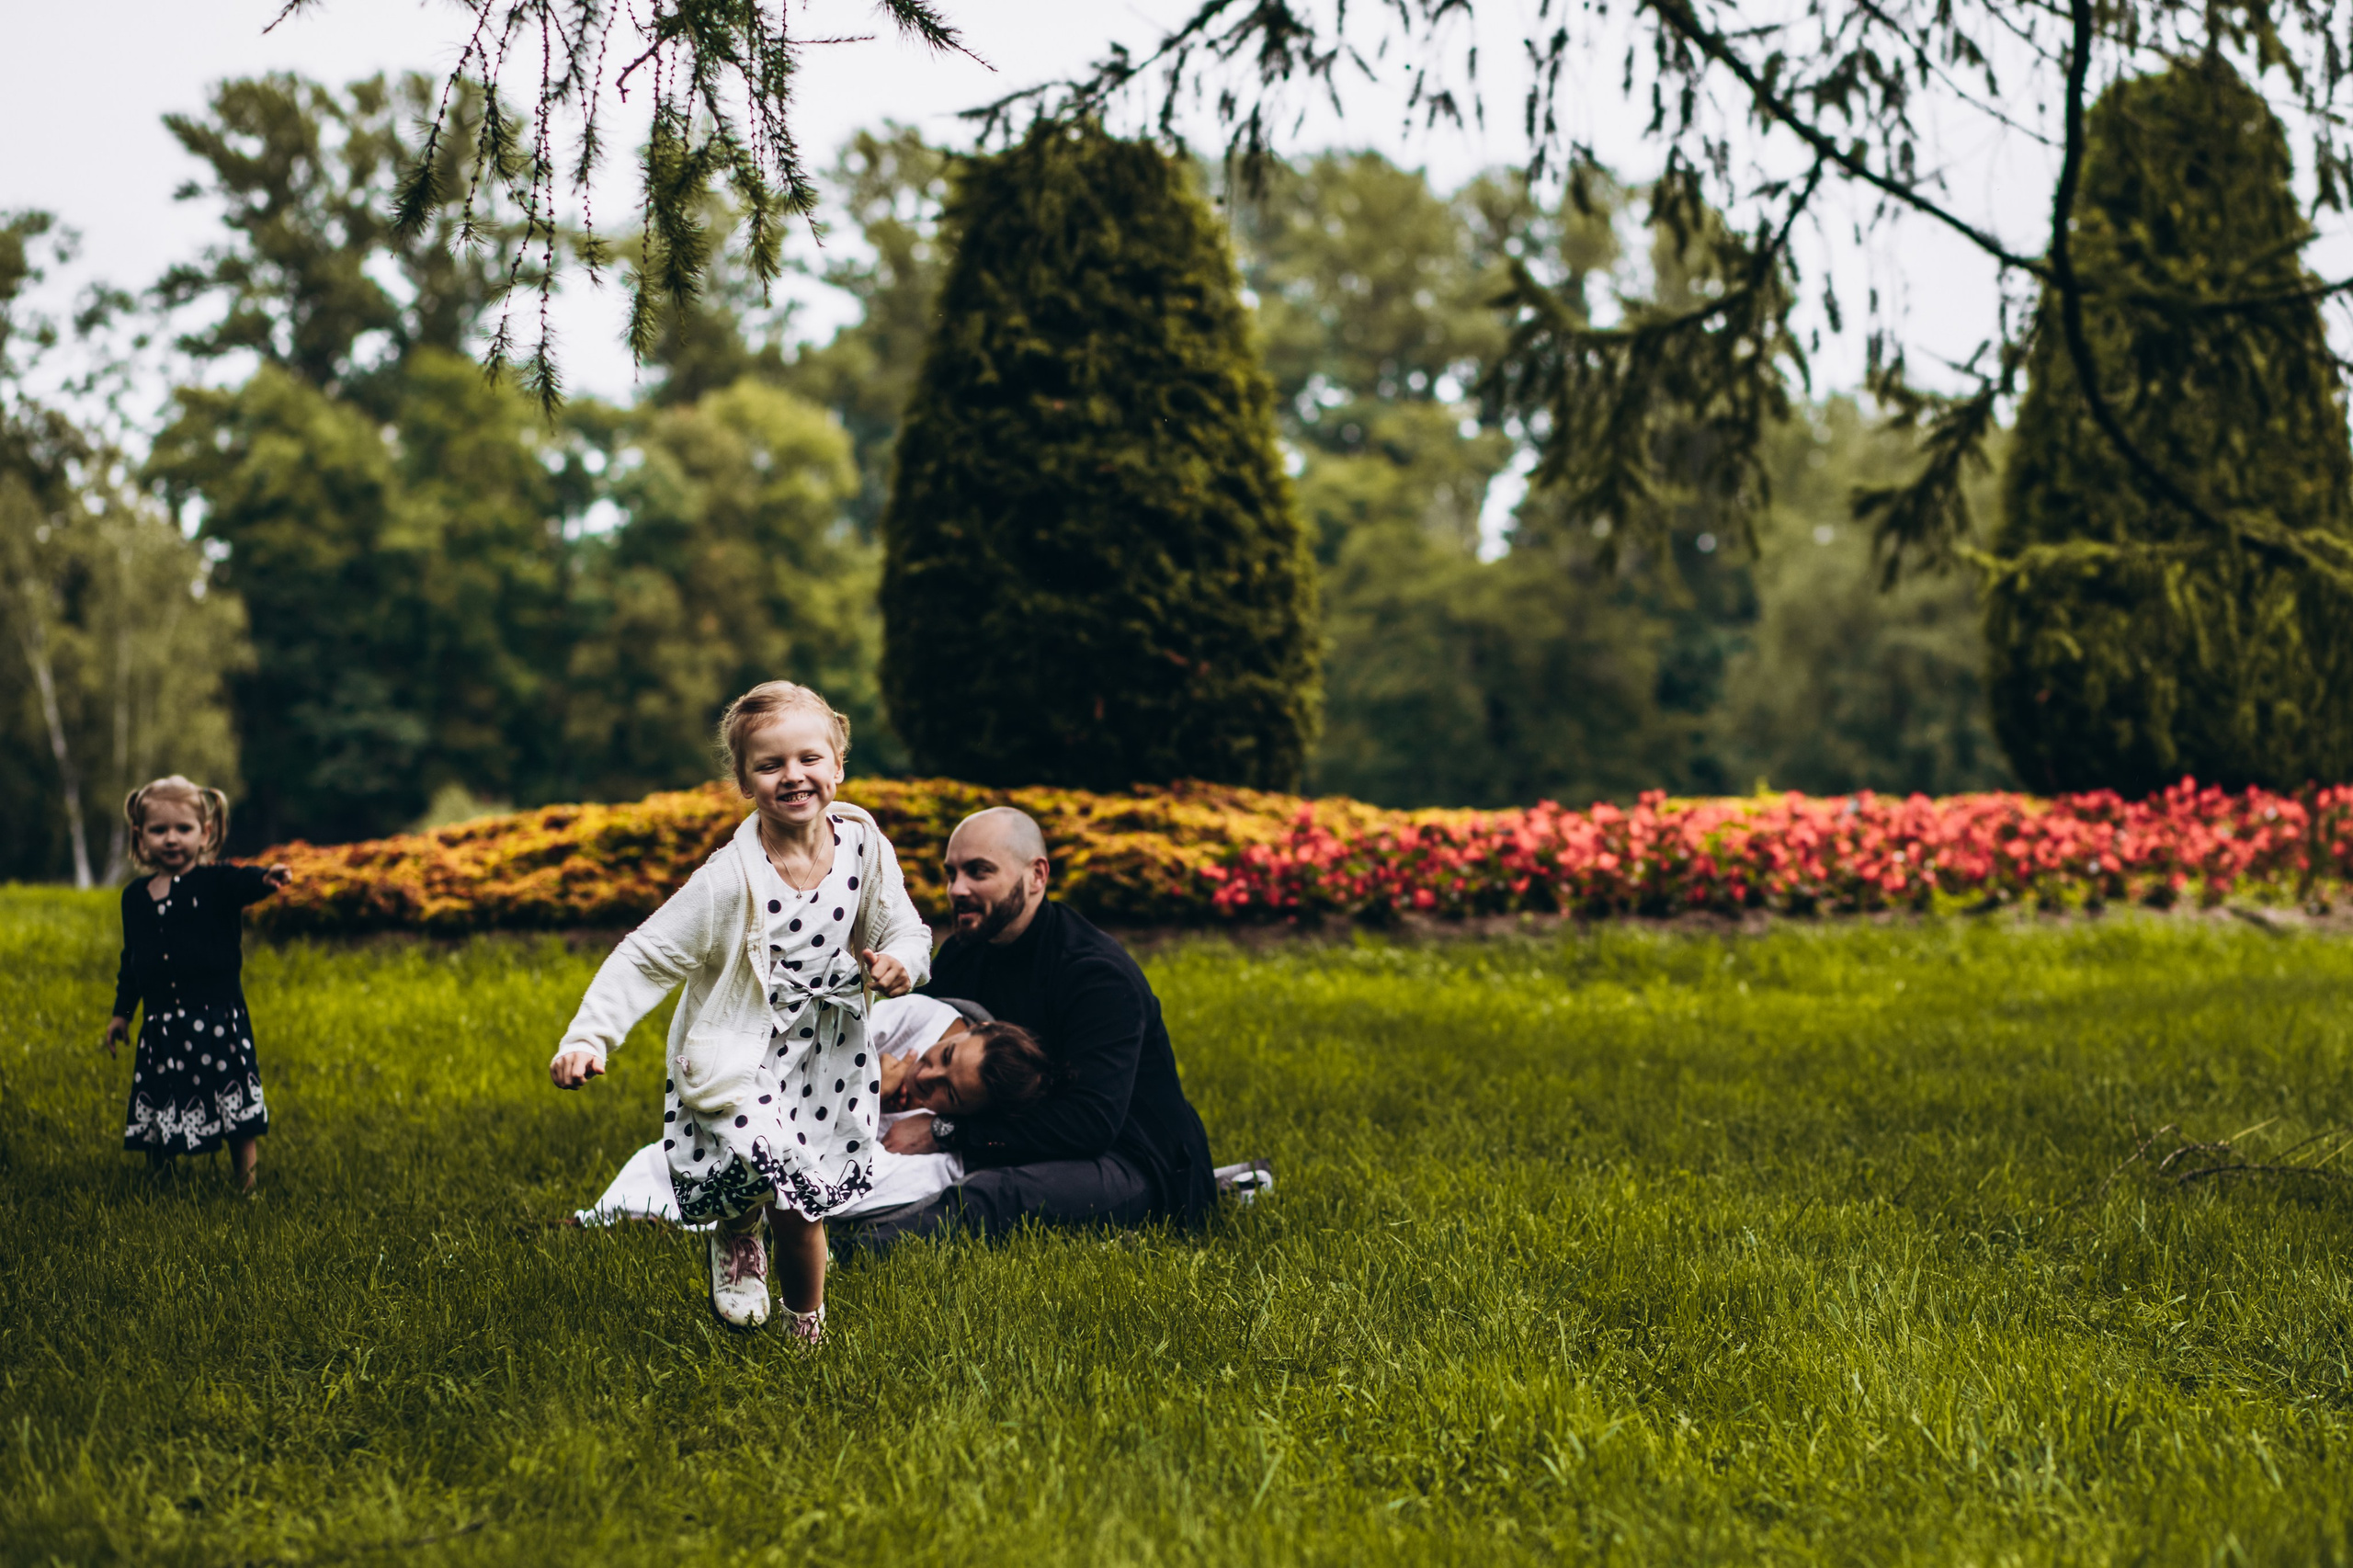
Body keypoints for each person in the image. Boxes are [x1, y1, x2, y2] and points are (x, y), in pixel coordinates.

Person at [547, 681, 931, 1339]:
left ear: (838, 764)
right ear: (745, 781)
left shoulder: (865, 845)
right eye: (770, 765)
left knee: (801, 1198)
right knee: (772, 1170)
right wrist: (590, 1037)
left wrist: (901, 962)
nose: (794, 777)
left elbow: (906, 929)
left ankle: (802, 1325)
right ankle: (737, 1232)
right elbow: (647, 956)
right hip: (744, 1053)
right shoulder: (730, 877)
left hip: (829, 1055)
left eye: (810, 759)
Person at [864, 805, 1215, 1240]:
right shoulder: (965, 953)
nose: (957, 889)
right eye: (951, 873)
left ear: (1037, 876)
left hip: (1128, 1157)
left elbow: (1090, 1123)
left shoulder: (1095, 975)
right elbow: (919, 1034)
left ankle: (848, 1252)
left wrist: (944, 1131)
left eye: (979, 872)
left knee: (993, 1195)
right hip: (1010, 1134)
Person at [573, 994, 1056, 1227]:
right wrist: (869, 1079)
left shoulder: (936, 1156)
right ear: (973, 1028)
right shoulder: (921, 1018)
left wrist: (880, 1107)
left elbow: (848, 1180)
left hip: (805, 1157)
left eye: (947, 1094)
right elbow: (809, 1056)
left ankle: (655, 1222)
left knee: (771, 1178)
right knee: (683, 1151)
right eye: (946, 1056)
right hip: (782, 1103)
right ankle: (602, 1215)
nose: (927, 1077)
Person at [104, 776, 294, 1192]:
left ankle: (245, 1184)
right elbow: (131, 960)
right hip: (162, 1025)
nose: (171, 839)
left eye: (183, 829)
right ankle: (160, 1179)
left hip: (216, 1020)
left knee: (234, 1106)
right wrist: (122, 1013)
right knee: (162, 1100)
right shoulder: (135, 897)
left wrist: (266, 878)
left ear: (205, 832)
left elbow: (244, 881)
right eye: (159, 830)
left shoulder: (215, 883)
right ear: (141, 836)